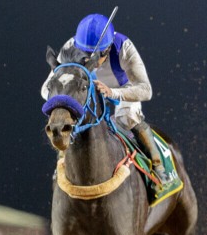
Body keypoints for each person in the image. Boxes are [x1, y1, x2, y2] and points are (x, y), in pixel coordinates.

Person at [42, 13, 174, 185]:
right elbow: (47, 88)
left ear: (108, 48)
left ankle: (158, 166)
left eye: (95, 55)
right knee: (71, 119)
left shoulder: (124, 48)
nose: (89, 60)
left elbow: (146, 90)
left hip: (122, 89)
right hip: (86, 90)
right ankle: (61, 164)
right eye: (84, 53)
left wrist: (112, 93)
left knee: (128, 118)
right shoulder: (70, 46)